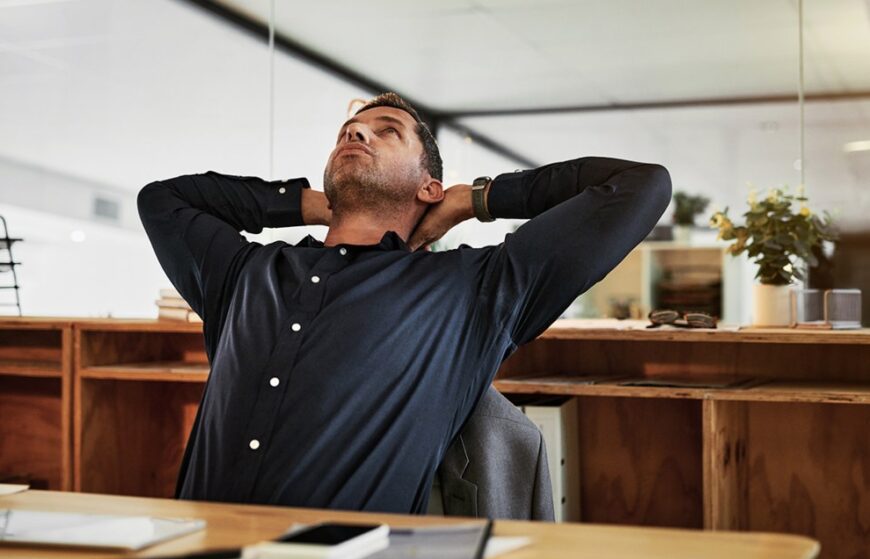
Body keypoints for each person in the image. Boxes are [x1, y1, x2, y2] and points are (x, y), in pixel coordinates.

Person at [138, 92, 671, 514]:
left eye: (387, 131)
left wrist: (474, 199)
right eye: (349, 132)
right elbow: (161, 200)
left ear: (428, 186)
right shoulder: (245, 272)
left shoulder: (473, 291)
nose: (357, 131)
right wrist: (307, 203)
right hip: (198, 549)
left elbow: (640, 185)